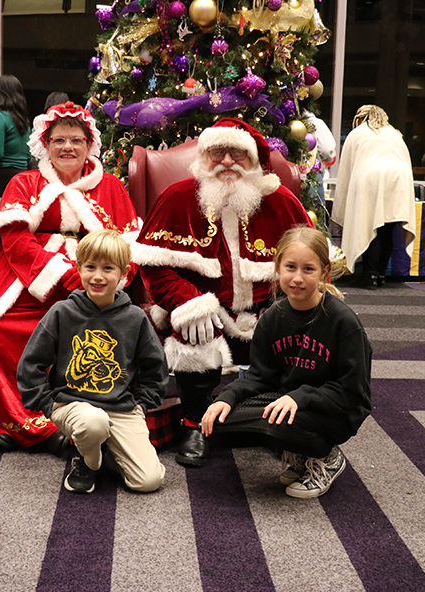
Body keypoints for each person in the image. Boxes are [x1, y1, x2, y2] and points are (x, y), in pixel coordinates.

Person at [0, 101, 142, 455]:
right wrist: (62, 274)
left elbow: (128, 246)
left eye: (76, 140)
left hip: (94, 283)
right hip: (22, 280)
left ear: (90, 144)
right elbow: (15, 240)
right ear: (45, 144)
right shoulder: (24, 182)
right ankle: (16, 420)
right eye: (59, 140)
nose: (67, 147)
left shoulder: (111, 187)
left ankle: (85, 418)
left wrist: (103, 283)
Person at [132, 117, 313, 468]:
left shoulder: (281, 201)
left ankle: (277, 418)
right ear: (204, 157)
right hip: (205, 310)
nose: (227, 161)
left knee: (295, 336)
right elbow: (152, 264)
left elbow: (311, 259)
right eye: (218, 152)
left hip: (265, 309)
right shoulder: (177, 198)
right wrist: (189, 302)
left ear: (254, 159)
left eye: (236, 153)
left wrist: (284, 308)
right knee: (195, 330)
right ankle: (194, 423)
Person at [202, 226, 372, 498]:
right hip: (289, 400)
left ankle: (326, 456)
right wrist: (226, 398)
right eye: (290, 267)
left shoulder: (343, 321)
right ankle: (298, 453)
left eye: (308, 269)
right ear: (278, 268)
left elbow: (353, 393)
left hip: (335, 410)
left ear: (324, 272)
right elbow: (260, 377)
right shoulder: (272, 317)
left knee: (277, 422)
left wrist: (300, 397)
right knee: (218, 420)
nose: (297, 278)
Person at [18, 229, 168, 494]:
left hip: (120, 408)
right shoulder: (62, 312)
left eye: (108, 268)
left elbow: (155, 368)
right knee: (92, 422)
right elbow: (31, 364)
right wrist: (48, 405)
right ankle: (88, 461)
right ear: (79, 269)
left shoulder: (135, 318)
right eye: (90, 267)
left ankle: (101, 448)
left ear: (123, 273)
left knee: (148, 481)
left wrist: (143, 405)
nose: (98, 276)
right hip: (72, 404)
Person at [331, 104, 416, 289]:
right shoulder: (394, 133)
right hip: (399, 179)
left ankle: (369, 275)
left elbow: (345, 171)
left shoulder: (357, 133)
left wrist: (343, 203)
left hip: (370, 177)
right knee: (388, 227)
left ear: (361, 118)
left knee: (370, 226)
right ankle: (381, 273)